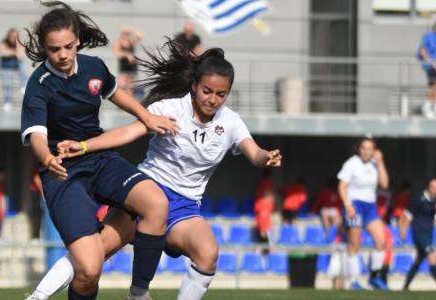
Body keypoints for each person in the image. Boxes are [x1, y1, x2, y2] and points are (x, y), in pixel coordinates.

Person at [27, 38, 281, 300]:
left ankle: (138, 293)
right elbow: (128, 132)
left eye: (221, 94)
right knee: (94, 254)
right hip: (145, 194)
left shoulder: (231, 122)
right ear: (194, 86)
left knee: (208, 254)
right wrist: (84, 146)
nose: (213, 99)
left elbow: (253, 151)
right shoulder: (170, 109)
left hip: (184, 207)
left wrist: (265, 156)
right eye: (207, 91)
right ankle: (39, 295)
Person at [21, 2, 178, 299]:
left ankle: (139, 293)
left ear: (78, 39)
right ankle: (63, 281)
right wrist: (47, 157)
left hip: (100, 158)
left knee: (155, 204)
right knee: (89, 270)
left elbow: (118, 94)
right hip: (63, 170)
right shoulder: (38, 85)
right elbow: (38, 136)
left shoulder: (94, 67)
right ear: (45, 47)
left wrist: (147, 117)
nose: (63, 54)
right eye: (55, 49)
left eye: (68, 46)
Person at [337, 137, 390, 290]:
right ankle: (354, 281)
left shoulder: (375, 164)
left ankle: (374, 277)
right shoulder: (352, 163)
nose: (367, 151)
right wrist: (347, 205)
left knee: (382, 241)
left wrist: (380, 162)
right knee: (354, 244)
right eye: (364, 148)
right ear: (360, 149)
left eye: (370, 148)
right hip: (355, 205)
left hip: (370, 206)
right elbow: (342, 186)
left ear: (374, 151)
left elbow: (385, 184)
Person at [400, 178, 436, 290]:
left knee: (419, 260)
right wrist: (403, 232)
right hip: (419, 233)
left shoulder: (434, 201)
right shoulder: (418, 199)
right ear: (429, 187)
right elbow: (407, 216)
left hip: (429, 234)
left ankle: (405, 286)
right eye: (434, 187)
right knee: (433, 257)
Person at [0, 28, 27, 111]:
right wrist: (13, 52)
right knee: (7, 84)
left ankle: (23, 85)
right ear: (9, 36)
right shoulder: (4, 42)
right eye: (12, 36)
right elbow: (3, 52)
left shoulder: (19, 43)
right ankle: (7, 102)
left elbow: (20, 57)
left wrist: (17, 45)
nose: (13, 38)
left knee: (22, 66)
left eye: (15, 36)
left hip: (16, 65)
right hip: (6, 66)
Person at [113, 26, 143, 95]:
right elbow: (117, 53)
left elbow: (140, 36)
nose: (126, 35)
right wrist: (127, 55)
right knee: (122, 82)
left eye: (128, 34)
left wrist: (133, 30)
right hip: (124, 64)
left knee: (131, 83)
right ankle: (122, 97)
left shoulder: (131, 41)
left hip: (132, 64)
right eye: (125, 33)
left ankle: (130, 97)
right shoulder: (118, 42)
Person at [418, 21, 436, 93]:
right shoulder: (428, 36)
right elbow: (422, 50)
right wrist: (432, 62)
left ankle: (430, 103)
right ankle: (430, 103)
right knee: (433, 85)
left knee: (434, 87)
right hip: (430, 66)